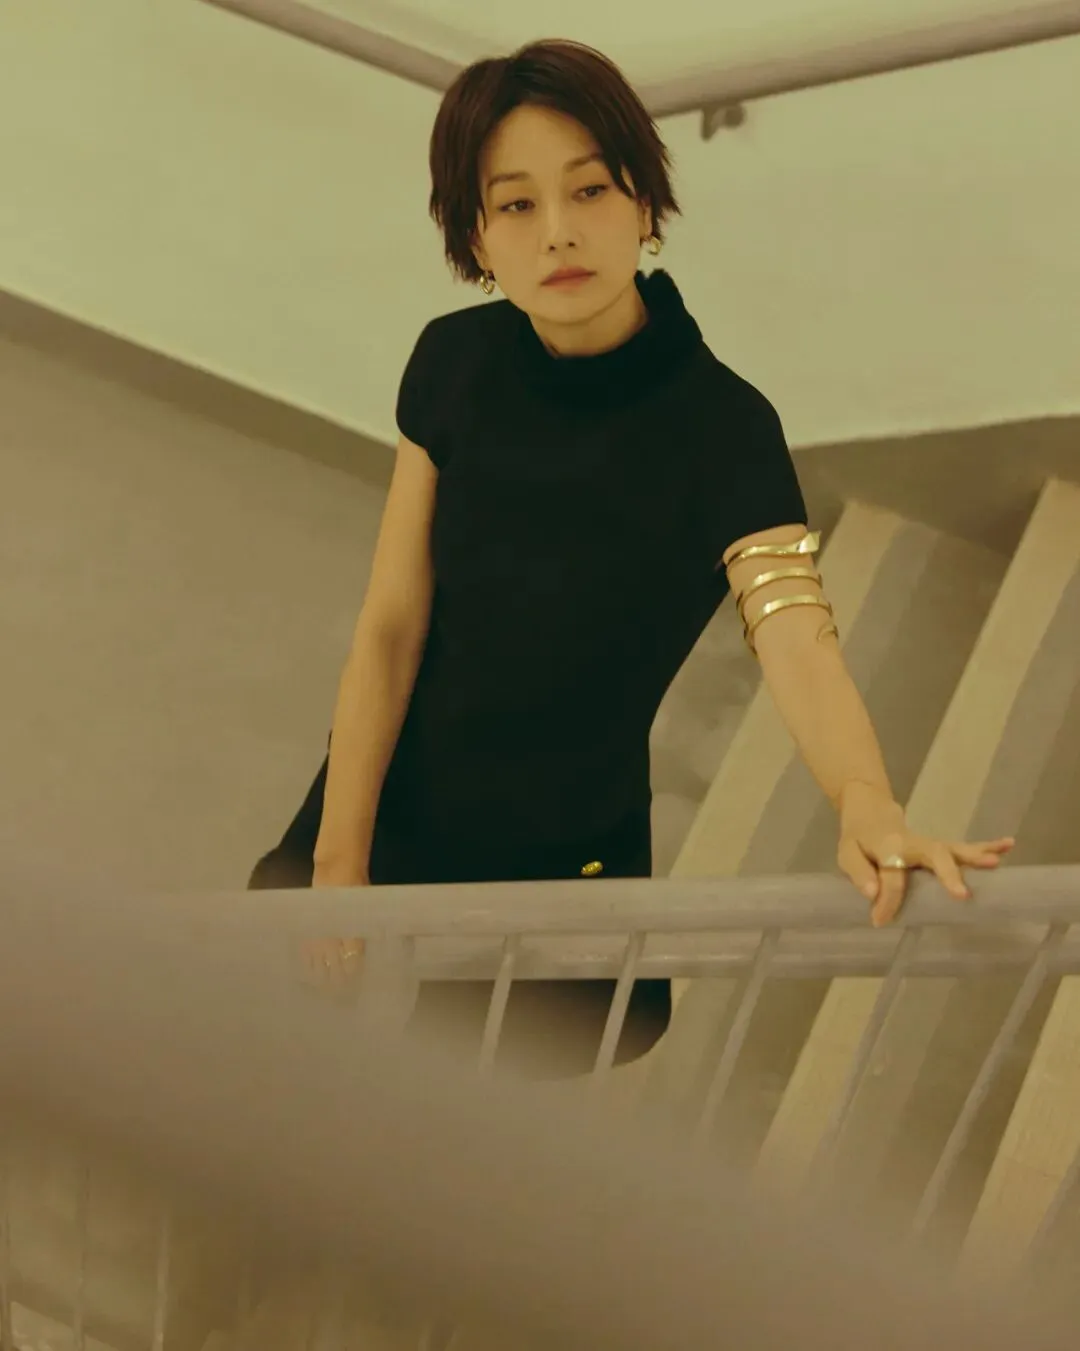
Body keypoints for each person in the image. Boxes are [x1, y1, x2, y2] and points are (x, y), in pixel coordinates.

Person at [248, 38, 1013, 1076]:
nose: (559, 231)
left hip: (560, 838)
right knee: (275, 1051)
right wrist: (339, 860)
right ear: (475, 237)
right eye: (516, 204)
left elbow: (796, 632)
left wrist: (866, 801)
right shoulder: (453, 361)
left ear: (645, 204)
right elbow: (391, 627)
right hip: (391, 789)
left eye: (591, 190)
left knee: (455, 1101)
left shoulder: (725, 429)